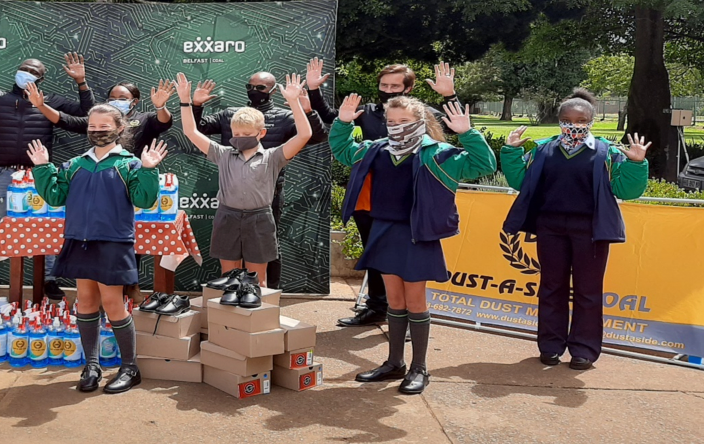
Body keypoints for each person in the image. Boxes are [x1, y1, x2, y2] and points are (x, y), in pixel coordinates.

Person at [331, 93, 495, 395]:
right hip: (384, 231)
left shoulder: (440, 153)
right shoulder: (376, 150)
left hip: (417, 234)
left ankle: (420, 368)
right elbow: (342, 150)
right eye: (391, 122)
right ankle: (395, 363)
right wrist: (342, 122)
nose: (396, 127)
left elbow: (482, 163)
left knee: (415, 301)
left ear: (420, 122)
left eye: (403, 122)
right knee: (394, 301)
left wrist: (466, 133)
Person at [501, 89, 650, 371]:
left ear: (591, 121)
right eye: (567, 120)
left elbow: (627, 190)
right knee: (551, 287)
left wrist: (636, 162)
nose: (574, 125)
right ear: (559, 121)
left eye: (581, 120)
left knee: (588, 290)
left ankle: (583, 350)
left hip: (590, 231)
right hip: (550, 228)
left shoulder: (608, 153)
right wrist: (511, 151)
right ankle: (551, 345)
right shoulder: (543, 149)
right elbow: (521, 180)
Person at [308, 61, 461, 328]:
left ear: (408, 88)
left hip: (412, 199)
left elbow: (456, 121)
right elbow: (334, 117)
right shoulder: (367, 112)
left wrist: (450, 95)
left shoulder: (421, 113)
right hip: (372, 196)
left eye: (395, 86)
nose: (388, 90)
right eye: (384, 85)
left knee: (412, 263)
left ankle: (411, 319)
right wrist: (312, 90)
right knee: (376, 253)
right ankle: (378, 307)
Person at [27, 107, 167, 394]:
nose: (97, 130)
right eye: (92, 126)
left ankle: (130, 367)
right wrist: (42, 167)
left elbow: (145, 198)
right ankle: (91, 365)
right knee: (86, 301)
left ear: (119, 129)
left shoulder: (131, 164)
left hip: (113, 242)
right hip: (79, 240)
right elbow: (55, 196)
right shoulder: (75, 164)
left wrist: (150, 170)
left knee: (113, 303)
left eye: (104, 125)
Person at [0, 44, 96, 299]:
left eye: (33, 71)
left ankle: (49, 280)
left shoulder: (50, 101)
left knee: (49, 225)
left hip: (40, 175)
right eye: (23, 69)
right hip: (5, 174)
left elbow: (86, 113)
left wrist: (81, 82)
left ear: (41, 78)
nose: (27, 73)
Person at [176, 72, 313, 293]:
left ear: (262, 133)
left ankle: (255, 323)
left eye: (246, 133)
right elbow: (190, 131)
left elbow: (305, 134)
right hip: (227, 216)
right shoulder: (222, 153)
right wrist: (185, 101)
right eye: (236, 132)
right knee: (228, 280)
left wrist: (294, 102)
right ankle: (230, 325)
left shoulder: (274, 156)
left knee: (257, 283)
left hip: (259, 218)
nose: (239, 137)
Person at [28, 79, 175, 156]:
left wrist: (160, 106)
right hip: (106, 173)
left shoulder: (146, 118)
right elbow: (67, 121)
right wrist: (41, 106)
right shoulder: (99, 119)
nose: (116, 101)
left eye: (122, 98)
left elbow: (164, 122)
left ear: (134, 101)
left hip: (138, 174)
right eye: (112, 98)